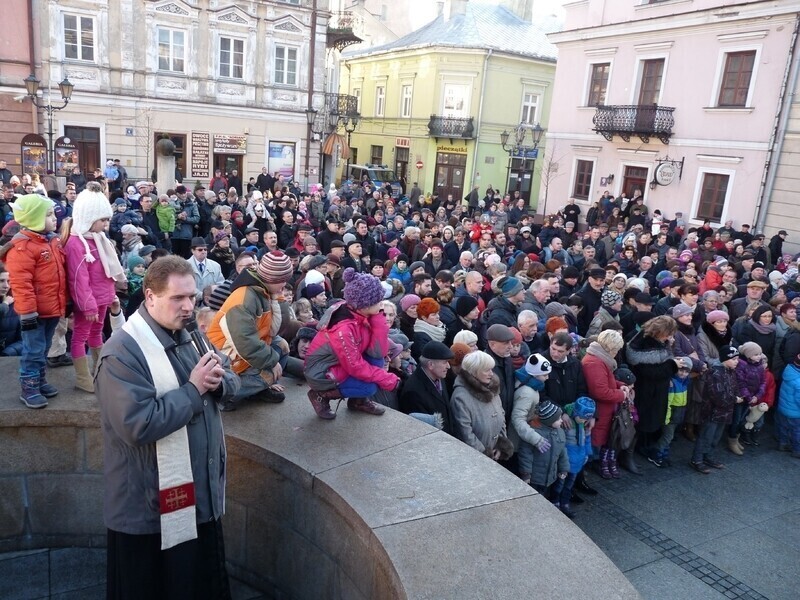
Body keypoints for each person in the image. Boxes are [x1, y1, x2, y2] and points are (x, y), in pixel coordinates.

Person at [95, 255, 240, 599]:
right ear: (150, 296)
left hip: (198, 499)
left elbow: (231, 380)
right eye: (178, 298)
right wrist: (194, 390)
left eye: (192, 297)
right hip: (147, 511)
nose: (189, 306)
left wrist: (219, 384)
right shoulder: (121, 353)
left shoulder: (191, 334)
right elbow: (137, 424)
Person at [305, 268, 398, 419]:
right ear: (365, 305)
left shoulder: (361, 313)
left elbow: (378, 352)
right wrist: (387, 378)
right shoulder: (344, 329)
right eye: (378, 301)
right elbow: (354, 366)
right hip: (322, 372)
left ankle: (357, 402)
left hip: (341, 364)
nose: (382, 304)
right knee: (370, 387)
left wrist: (378, 318)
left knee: (377, 360)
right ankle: (320, 394)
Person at [1, 195, 66, 408]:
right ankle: (29, 387)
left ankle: (38, 381)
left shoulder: (51, 240)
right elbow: (21, 283)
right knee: (33, 350)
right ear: (33, 219)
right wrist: (28, 313)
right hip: (34, 312)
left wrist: (66, 302)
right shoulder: (22, 247)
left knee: (44, 346)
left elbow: (60, 275)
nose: (54, 218)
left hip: (51, 307)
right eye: (48, 215)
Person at [206, 251, 293, 409]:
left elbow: (278, 330)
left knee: (282, 345)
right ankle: (225, 396)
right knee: (269, 374)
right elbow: (245, 342)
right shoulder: (243, 298)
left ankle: (257, 389)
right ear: (272, 278)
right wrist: (272, 362)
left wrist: (278, 298)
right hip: (226, 358)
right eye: (283, 281)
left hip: (243, 352)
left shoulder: (265, 290)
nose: (285, 285)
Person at [63, 185, 128, 393]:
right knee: (80, 336)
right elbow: (78, 279)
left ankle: (100, 372)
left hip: (102, 297)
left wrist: (111, 295)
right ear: (89, 218)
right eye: (103, 220)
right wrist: (88, 305)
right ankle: (83, 377)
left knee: (97, 332)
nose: (107, 224)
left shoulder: (98, 238)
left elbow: (105, 272)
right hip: (89, 302)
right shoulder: (76, 243)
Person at [582, 330, 629, 479]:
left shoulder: (599, 358)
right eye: (615, 349)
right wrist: (622, 395)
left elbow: (606, 381)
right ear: (609, 348)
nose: (616, 353)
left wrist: (619, 384)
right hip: (600, 411)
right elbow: (600, 392)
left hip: (603, 410)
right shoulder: (595, 363)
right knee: (593, 444)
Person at [690, 345, 741, 474]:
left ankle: (708, 456)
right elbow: (718, 396)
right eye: (734, 359)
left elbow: (735, 387)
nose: (737, 362)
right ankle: (697, 460)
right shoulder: (715, 373)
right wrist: (735, 399)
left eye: (738, 359)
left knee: (715, 437)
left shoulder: (731, 371)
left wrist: (738, 395)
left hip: (724, 413)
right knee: (706, 436)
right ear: (725, 359)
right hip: (712, 413)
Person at [450, 350, 509, 460]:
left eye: (491, 369)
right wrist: (486, 454)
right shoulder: (460, 397)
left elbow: (501, 415)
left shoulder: (492, 387)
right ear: (474, 371)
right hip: (475, 460)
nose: (491, 374)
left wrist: (501, 445)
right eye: (487, 370)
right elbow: (465, 433)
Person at [399, 341, 455, 434]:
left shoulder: (438, 376)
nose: (448, 366)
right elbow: (421, 430)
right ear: (430, 365)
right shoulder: (413, 393)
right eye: (445, 362)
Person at [559, 397, 596, 518]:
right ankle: (555, 502)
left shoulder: (584, 424)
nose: (584, 421)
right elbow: (560, 442)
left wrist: (587, 454)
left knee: (569, 484)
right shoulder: (566, 424)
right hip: (566, 460)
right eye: (582, 417)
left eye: (587, 418)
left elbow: (587, 440)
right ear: (575, 413)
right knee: (559, 483)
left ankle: (564, 503)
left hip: (578, 460)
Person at [778, 353, 800, 458]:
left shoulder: (788, 371)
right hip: (795, 412)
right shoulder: (798, 381)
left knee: (783, 427)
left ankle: (783, 444)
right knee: (797, 431)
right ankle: (797, 450)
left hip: (783, 408)